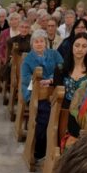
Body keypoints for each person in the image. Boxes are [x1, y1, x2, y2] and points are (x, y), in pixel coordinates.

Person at [21, 29, 63, 160]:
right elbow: (26, 78)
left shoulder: (54, 54)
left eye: (41, 41)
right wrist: (39, 82)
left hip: (53, 89)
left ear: (46, 43)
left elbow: (61, 67)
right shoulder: (28, 59)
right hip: (34, 91)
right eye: (36, 42)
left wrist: (50, 79)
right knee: (44, 114)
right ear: (32, 44)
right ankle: (40, 149)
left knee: (61, 113)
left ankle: (56, 148)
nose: (39, 44)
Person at [61, 34, 87, 107]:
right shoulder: (61, 69)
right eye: (77, 45)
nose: (80, 49)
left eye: (84, 46)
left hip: (86, 111)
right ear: (72, 46)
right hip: (64, 110)